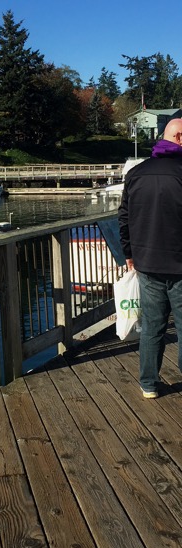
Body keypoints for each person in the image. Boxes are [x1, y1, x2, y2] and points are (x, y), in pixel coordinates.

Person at [122, 117, 182, 398]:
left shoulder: (136, 173)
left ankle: (148, 384)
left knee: (152, 327)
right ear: (180, 138)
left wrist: (129, 253)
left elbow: (124, 217)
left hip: (147, 263)